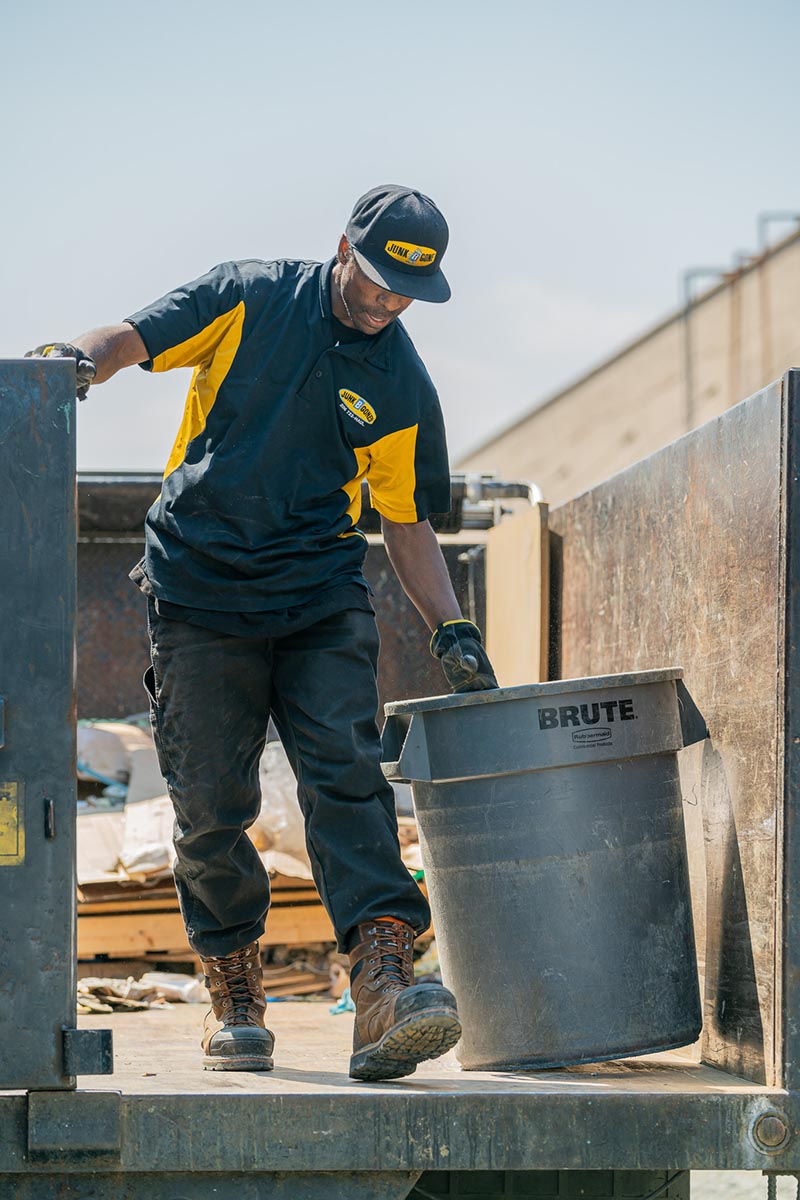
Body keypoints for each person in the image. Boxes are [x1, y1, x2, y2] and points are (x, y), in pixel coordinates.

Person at [27, 184, 498, 1081]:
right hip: (199, 588)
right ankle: (235, 991)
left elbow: (405, 523)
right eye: (378, 280)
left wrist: (454, 629)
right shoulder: (246, 295)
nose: (387, 303)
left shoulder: (401, 383)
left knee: (348, 775)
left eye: (408, 292)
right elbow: (129, 340)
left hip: (319, 591)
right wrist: (69, 364)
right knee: (211, 807)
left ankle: (385, 985)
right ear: (345, 248)